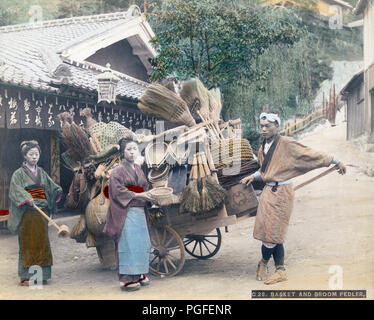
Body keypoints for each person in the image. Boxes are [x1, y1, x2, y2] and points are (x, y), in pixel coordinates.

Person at [240, 112, 346, 285]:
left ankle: (272, 266)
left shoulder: (287, 144)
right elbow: (266, 171)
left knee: (274, 233)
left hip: (282, 193)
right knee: (267, 232)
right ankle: (272, 266)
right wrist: (254, 176)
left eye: (268, 126)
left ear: (277, 127)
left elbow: (309, 154)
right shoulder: (262, 148)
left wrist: (335, 160)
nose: (264, 129)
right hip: (268, 192)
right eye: (261, 126)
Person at [103, 137, 155, 291]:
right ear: (123, 151)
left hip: (139, 212)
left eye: (134, 149)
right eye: (129, 149)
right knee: (128, 245)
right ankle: (126, 278)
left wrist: (150, 195)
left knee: (142, 244)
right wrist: (139, 195)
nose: (132, 153)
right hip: (125, 213)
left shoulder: (138, 169)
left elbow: (144, 187)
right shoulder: (117, 171)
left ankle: (138, 274)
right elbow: (117, 191)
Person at [8, 140, 62, 286]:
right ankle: (27, 277)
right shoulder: (18, 174)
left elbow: (51, 186)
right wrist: (26, 198)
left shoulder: (42, 172)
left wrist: (57, 191)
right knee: (28, 243)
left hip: (41, 213)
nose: (34, 157)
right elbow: (15, 191)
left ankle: (42, 275)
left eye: (36, 154)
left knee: (42, 243)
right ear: (25, 156)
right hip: (28, 214)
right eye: (31, 154)